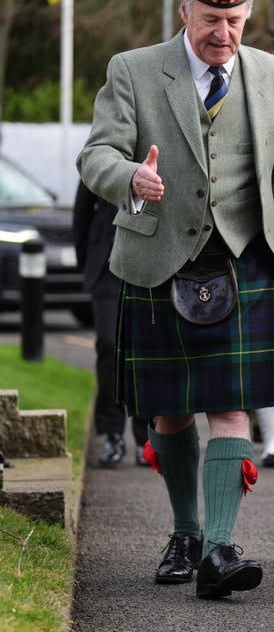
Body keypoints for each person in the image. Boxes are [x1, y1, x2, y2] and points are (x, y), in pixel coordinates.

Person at [77, 0, 274, 600]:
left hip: (243, 259)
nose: (222, 34)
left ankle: (219, 546)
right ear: (184, 9)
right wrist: (132, 177)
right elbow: (95, 154)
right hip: (156, 261)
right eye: (210, 18)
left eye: (234, 20)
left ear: (247, 14)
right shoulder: (134, 71)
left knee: (231, 405)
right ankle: (185, 529)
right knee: (172, 413)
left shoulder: (269, 75)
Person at [72, 180, 150, 467]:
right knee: (109, 344)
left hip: (147, 265)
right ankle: (112, 434)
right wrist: (87, 263)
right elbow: (81, 213)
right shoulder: (103, 146)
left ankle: (145, 439)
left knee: (143, 351)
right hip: (106, 267)